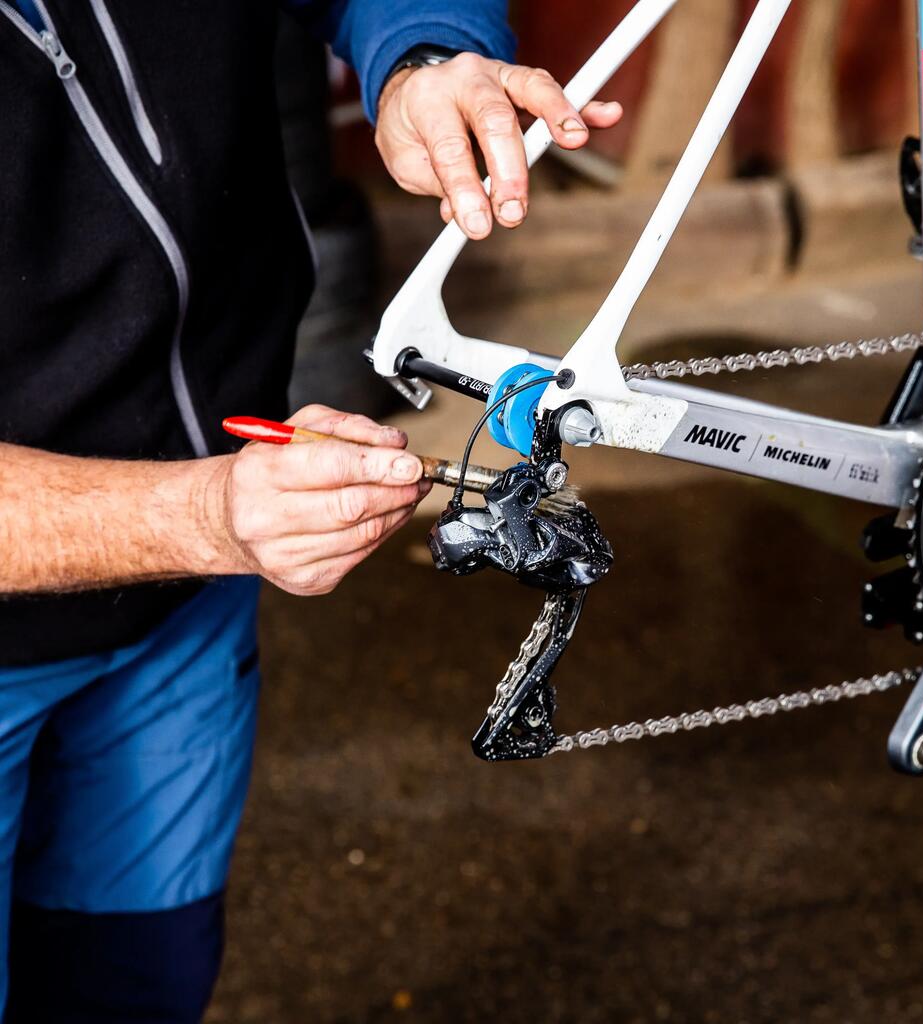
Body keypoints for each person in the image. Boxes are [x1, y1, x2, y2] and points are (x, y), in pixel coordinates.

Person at [0, 0, 622, 1019]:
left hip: (187, 608)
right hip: (185, 534)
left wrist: (420, 52)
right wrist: (200, 513)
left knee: (138, 980)